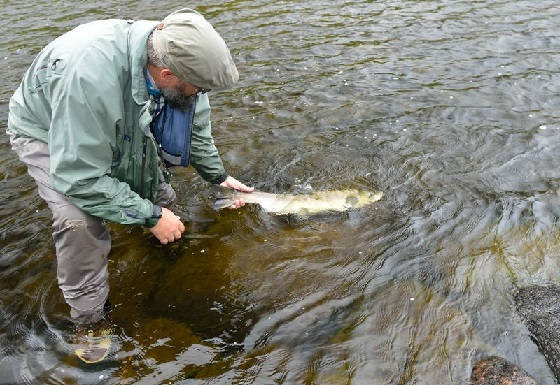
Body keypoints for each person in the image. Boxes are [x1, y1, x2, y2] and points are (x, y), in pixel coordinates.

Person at [6, 8, 253, 361]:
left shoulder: (176, 57)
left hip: (114, 111)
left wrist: (218, 176)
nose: (200, 93)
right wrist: (151, 216)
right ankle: (89, 323)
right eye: (198, 88)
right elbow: (79, 177)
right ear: (167, 74)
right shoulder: (90, 80)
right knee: (80, 220)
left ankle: (159, 243)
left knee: (156, 189)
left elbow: (194, 131)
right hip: (48, 133)